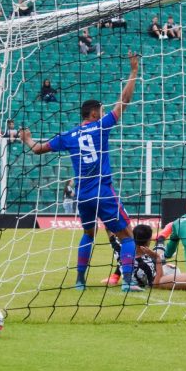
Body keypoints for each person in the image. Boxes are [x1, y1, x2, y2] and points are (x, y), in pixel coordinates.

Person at [20, 52, 141, 292]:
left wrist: (27, 139)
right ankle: (127, 282)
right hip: (103, 191)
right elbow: (124, 101)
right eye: (100, 109)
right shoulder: (102, 125)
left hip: (82, 195)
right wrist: (134, 71)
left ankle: (79, 281)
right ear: (94, 113)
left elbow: (38, 149)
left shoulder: (68, 136)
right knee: (127, 235)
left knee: (88, 234)